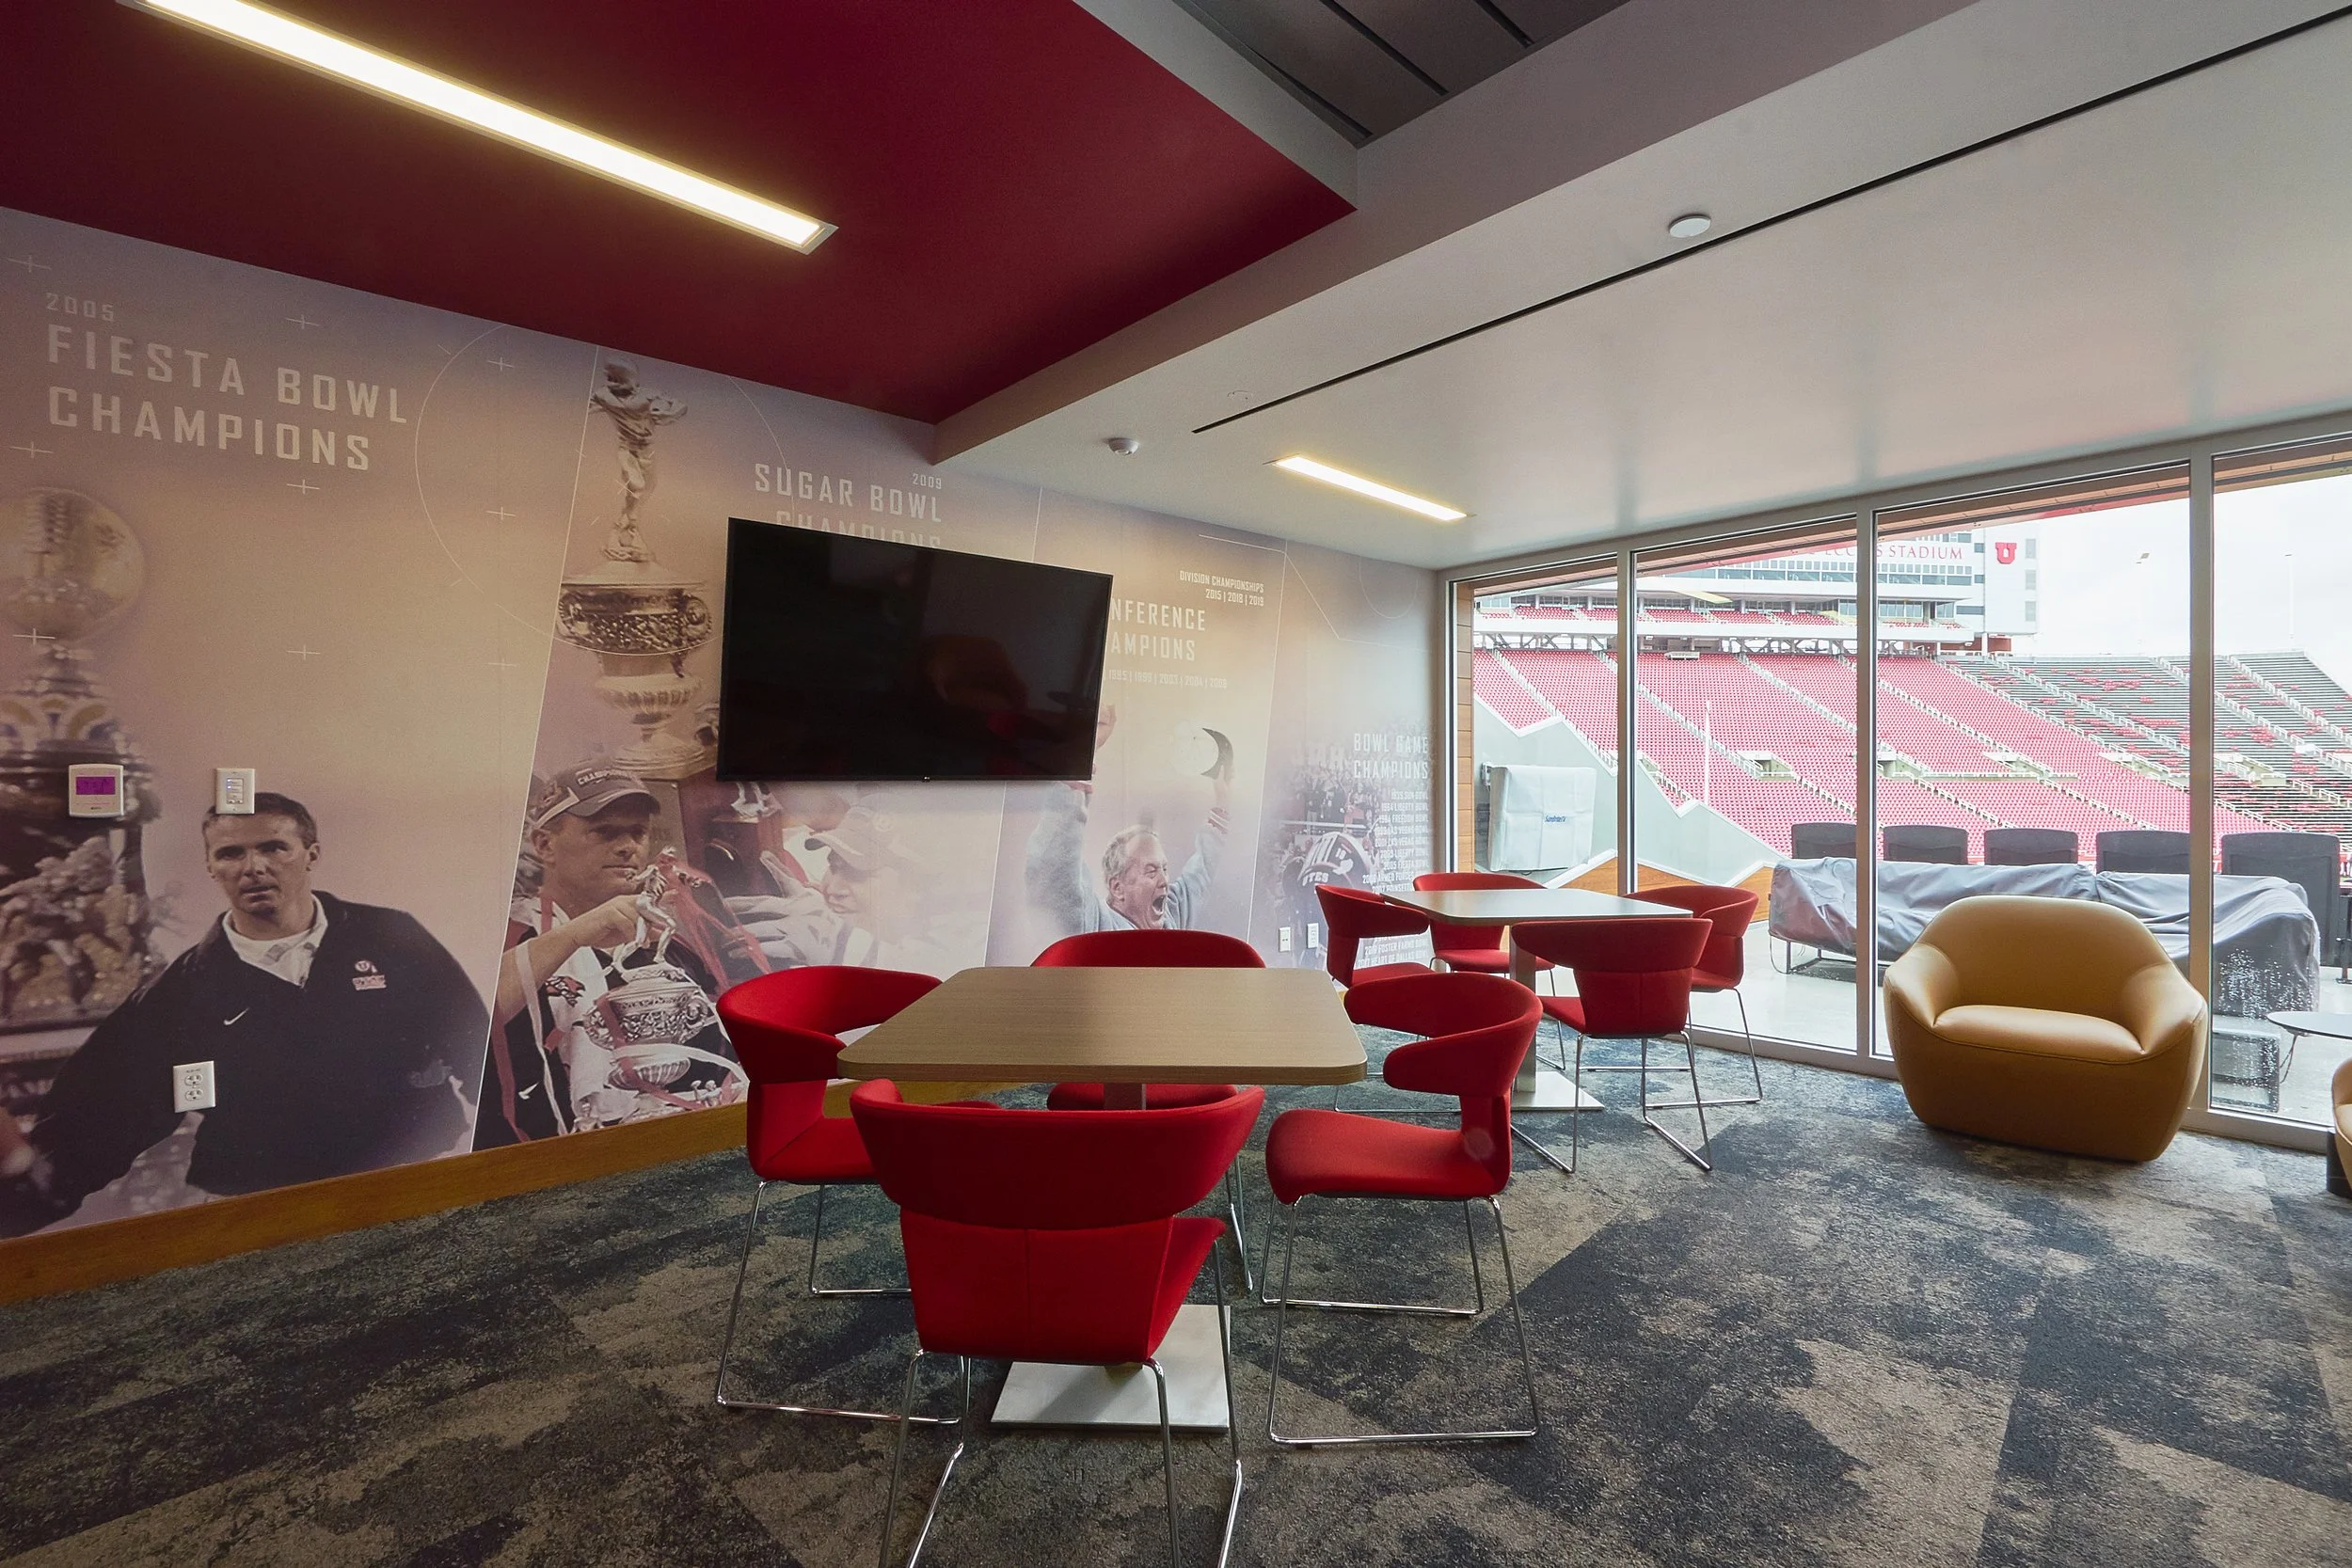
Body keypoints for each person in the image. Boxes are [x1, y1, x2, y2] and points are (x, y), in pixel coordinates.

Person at [0, 792, 485, 1234]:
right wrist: (23, 1186)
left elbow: (475, 1045)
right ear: (211, 867)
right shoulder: (184, 990)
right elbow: (99, 1115)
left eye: (274, 847)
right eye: (231, 853)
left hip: (412, 1180)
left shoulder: (391, 937)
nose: (254, 867)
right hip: (264, 1208)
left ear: (311, 854)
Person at [481, 762, 741, 1146]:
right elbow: (468, 1020)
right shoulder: (511, 934)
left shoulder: (672, 941)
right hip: (560, 1164)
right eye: (603, 832)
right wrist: (574, 935)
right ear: (544, 844)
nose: (627, 847)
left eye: (637, 833)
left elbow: (721, 1046)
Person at [1025, 706, 1230, 935]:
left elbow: (1202, 872)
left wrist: (1223, 798)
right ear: (1117, 887)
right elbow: (1055, 867)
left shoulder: (1172, 914)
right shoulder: (1096, 924)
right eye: (1151, 871)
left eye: (1164, 868)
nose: (1164, 880)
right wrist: (1080, 756)